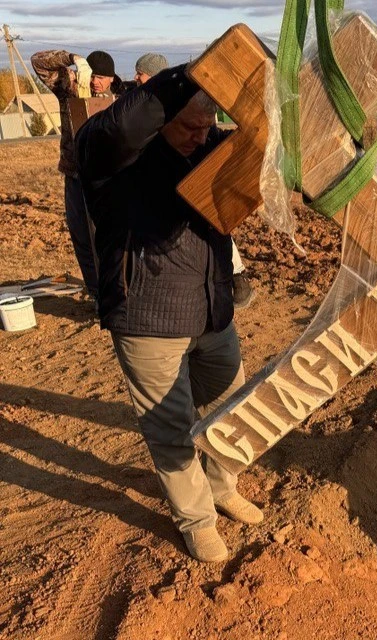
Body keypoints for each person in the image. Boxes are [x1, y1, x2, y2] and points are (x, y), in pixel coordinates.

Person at [75, 65, 262, 562]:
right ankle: (197, 520)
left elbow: (264, 148)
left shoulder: (207, 145)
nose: (200, 136)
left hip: (210, 309)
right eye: (188, 126)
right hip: (147, 316)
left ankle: (222, 486)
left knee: (233, 403)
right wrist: (193, 76)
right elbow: (118, 129)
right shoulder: (113, 157)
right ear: (159, 118)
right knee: (171, 426)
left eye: (207, 126)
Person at [133, 52, 256, 309]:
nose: (136, 78)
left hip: (198, 197)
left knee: (211, 222)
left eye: (141, 73)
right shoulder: (135, 114)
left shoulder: (189, 111)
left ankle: (236, 276)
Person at [31, 49, 121, 301]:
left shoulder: (119, 99)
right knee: (81, 236)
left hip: (106, 182)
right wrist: (73, 59)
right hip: (75, 176)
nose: (95, 82)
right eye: (93, 75)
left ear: (112, 78)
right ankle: (96, 294)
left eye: (102, 77)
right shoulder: (70, 89)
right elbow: (39, 63)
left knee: (106, 239)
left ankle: (117, 294)